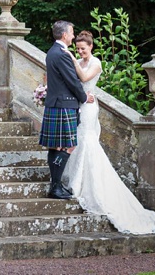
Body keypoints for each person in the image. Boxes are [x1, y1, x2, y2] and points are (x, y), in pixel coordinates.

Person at [61, 30, 155, 234]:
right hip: (78, 105)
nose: (80, 52)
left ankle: (85, 185)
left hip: (88, 107)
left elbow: (85, 77)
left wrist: (71, 58)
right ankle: (75, 181)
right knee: (77, 140)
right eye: (77, 49)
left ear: (91, 47)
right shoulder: (80, 60)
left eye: (83, 49)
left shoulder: (95, 63)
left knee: (87, 141)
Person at [38, 21, 94, 199]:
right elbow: (72, 81)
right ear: (64, 35)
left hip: (57, 104)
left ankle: (55, 185)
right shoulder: (62, 54)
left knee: (55, 147)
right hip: (64, 105)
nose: (72, 35)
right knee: (69, 145)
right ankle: (55, 186)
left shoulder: (52, 52)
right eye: (71, 32)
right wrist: (84, 98)